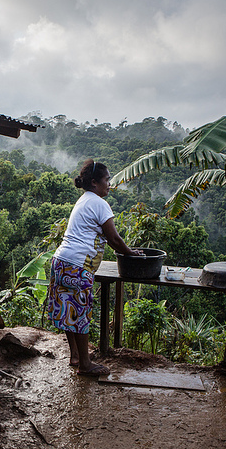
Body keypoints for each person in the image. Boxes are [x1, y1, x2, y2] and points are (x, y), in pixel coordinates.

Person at [47, 159, 139, 376]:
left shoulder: (83, 201)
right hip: (78, 266)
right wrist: (131, 253)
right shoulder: (99, 203)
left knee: (69, 311)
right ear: (95, 183)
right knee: (80, 312)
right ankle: (85, 365)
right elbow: (114, 239)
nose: (110, 184)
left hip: (61, 262)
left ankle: (76, 356)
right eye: (107, 180)